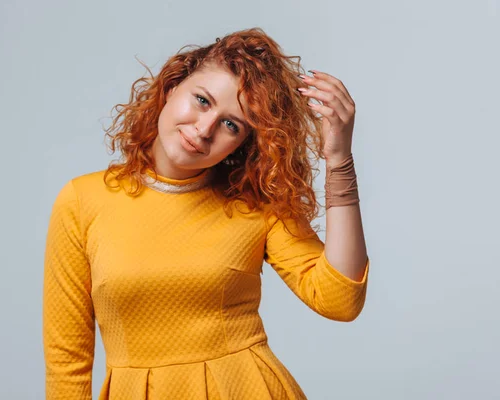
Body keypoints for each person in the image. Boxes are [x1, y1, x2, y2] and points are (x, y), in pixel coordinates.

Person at [42, 27, 370, 400]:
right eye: (202, 100)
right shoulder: (82, 201)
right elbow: (67, 363)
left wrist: (339, 160)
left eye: (231, 124)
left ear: (242, 142)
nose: (204, 129)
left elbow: (340, 300)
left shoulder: (254, 202)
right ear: (172, 87)